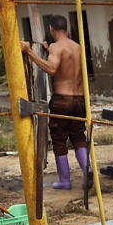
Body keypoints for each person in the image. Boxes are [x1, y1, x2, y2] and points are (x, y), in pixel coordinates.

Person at [21, 14, 89, 192]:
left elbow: (51, 69)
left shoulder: (56, 47)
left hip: (62, 99)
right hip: (80, 99)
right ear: (66, 28)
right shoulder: (77, 47)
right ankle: (87, 170)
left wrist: (30, 52)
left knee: (59, 139)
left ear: (51, 29)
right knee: (78, 136)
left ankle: (65, 181)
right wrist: (47, 50)